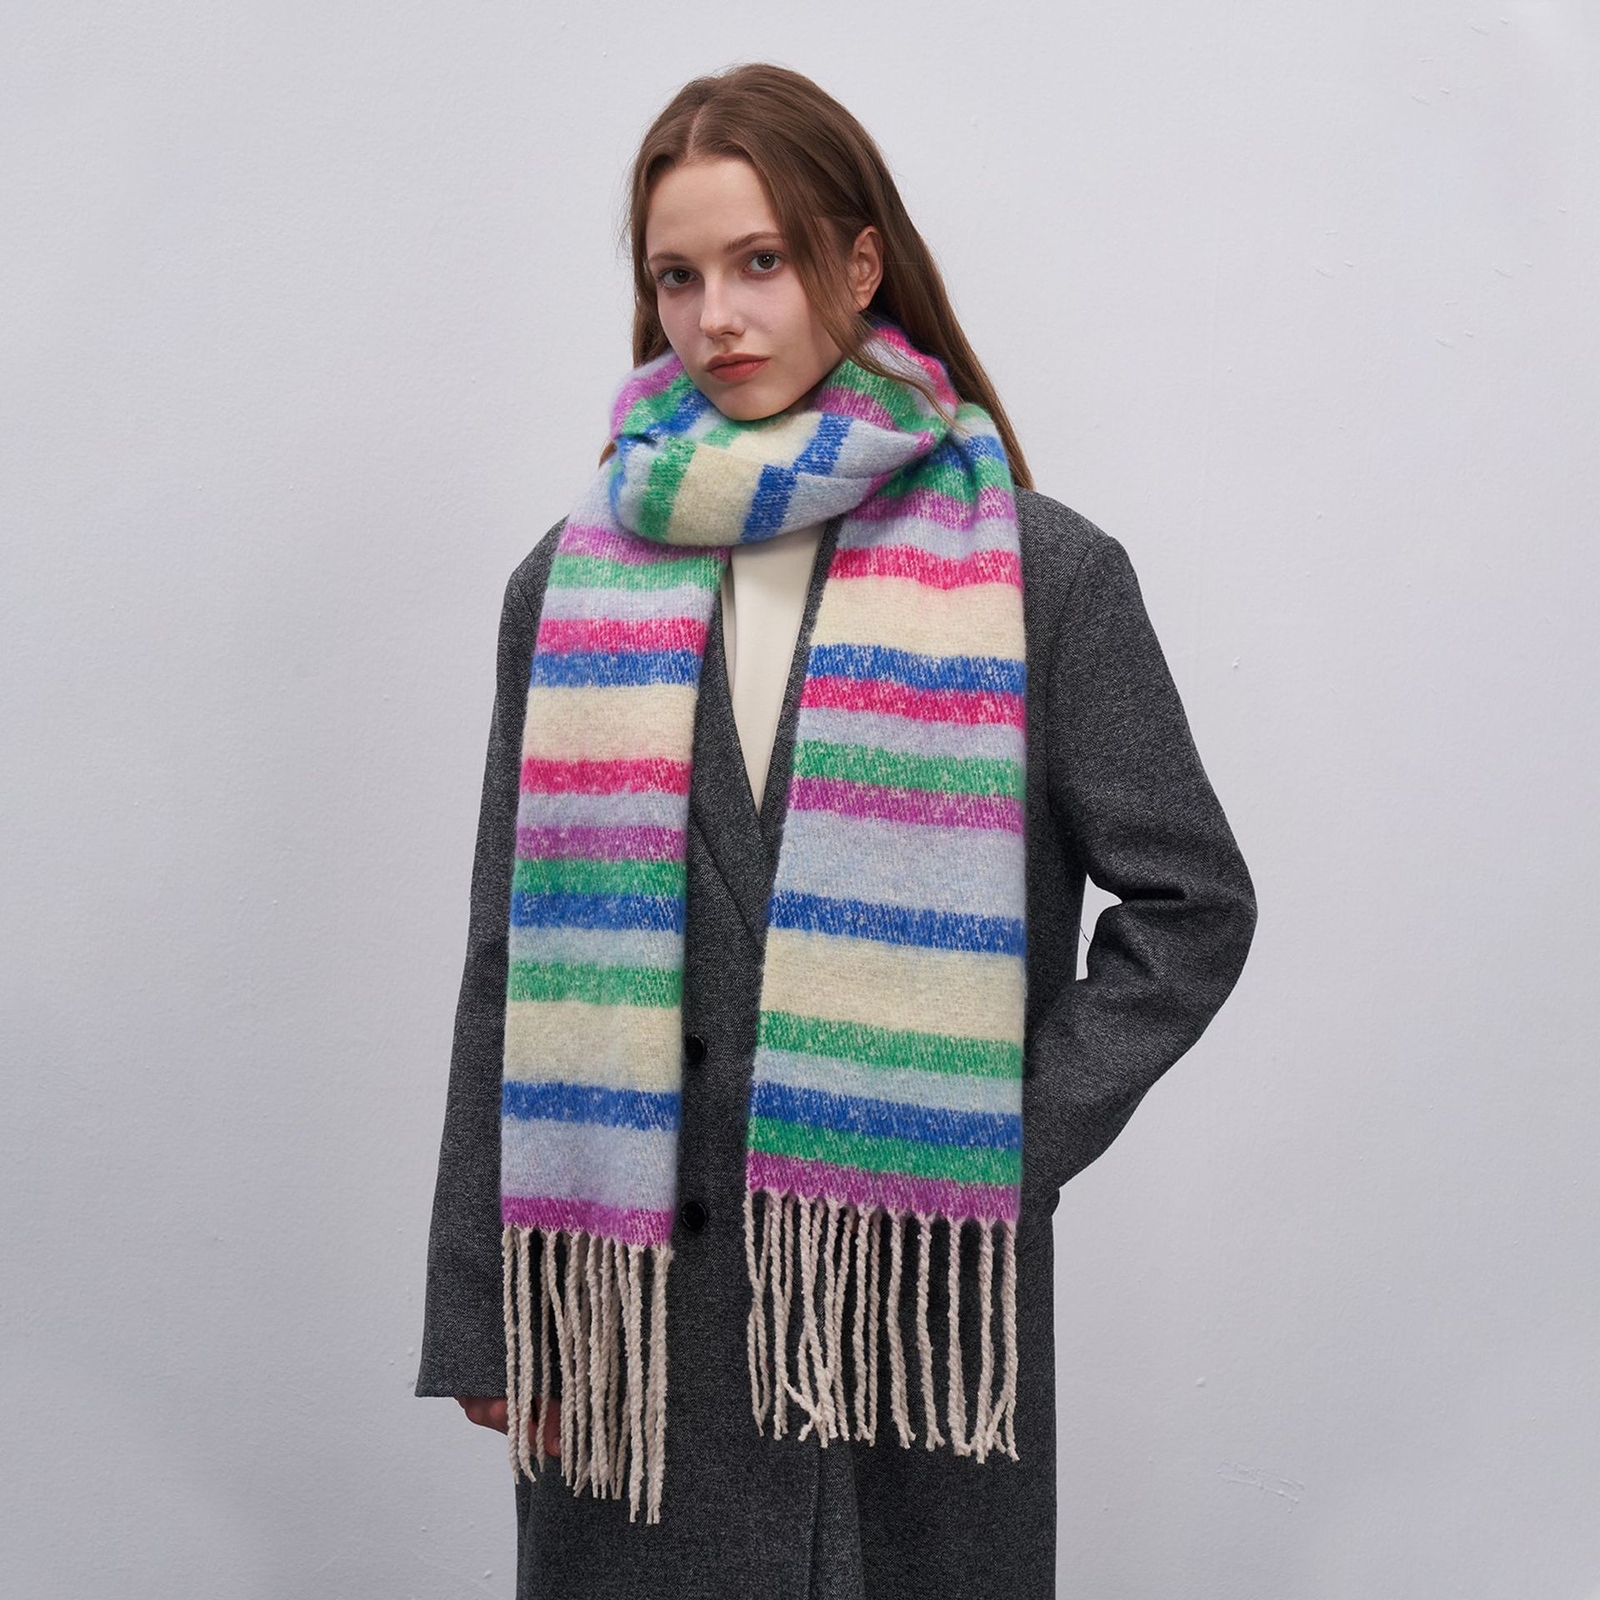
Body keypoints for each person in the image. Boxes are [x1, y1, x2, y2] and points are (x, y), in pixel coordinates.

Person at [416, 61, 1256, 1600]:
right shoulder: (568, 587)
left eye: (760, 261)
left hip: (904, 1312)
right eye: (678, 276)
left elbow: (1193, 907)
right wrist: (489, 1308)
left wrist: (998, 1143)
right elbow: (506, 955)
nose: (716, 317)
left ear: (858, 265)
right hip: (632, 1327)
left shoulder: (1038, 575)